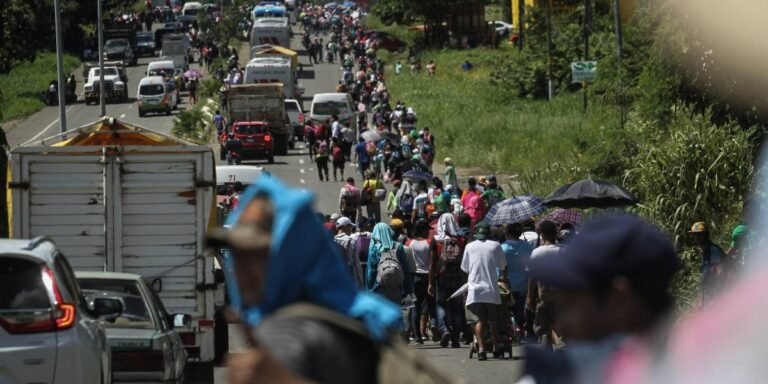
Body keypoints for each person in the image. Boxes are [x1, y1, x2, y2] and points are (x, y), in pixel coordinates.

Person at [207, 176, 403, 384]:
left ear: (295, 256)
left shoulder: (284, 336)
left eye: (257, 256)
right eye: (238, 254)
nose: (241, 269)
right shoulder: (356, 320)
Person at [523, 214, 680, 384]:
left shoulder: (576, 374)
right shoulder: (698, 370)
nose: (561, 325)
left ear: (620, 299)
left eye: (572, 303)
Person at [461, 221, 507, 360]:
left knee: (479, 321)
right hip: (491, 290)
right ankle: (496, 347)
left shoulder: (469, 246)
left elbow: (465, 268)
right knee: (494, 321)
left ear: (477, 232)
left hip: (475, 290)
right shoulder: (496, 246)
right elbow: (503, 266)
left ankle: (481, 350)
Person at [429, 213, 468, 348]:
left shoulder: (436, 240)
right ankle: (456, 338)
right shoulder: (462, 239)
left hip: (441, 276)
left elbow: (432, 263)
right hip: (457, 277)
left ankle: (444, 329)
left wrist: (430, 282)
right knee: (457, 307)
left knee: (440, 304)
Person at [527, 220, 562, 348]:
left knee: (543, 328)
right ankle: (559, 346)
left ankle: (548, 354)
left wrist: (530, 296)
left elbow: (532, 276)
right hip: (560, 295)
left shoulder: (537, 252)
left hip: (544, 295)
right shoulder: (562, 251)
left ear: (541, 234)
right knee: (558, 324)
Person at [501, 223, 534, 341]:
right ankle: (522, 329)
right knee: (521, 311)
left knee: (508, 312)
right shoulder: (527, 247)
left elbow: (499, 268)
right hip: (524, 284)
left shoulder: (502, 247)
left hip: (507, 285)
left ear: (507, 233)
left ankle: (513, 331)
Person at [366, 223, 414, 303]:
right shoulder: (398, 247)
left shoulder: (374, 249)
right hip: (396, 287)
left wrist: (369, 290)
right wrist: (408, 289)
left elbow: (371, 272)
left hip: (379, 288)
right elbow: (405, 268)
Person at [689, 222, 727, 305]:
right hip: (708, 299)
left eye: (700, 234)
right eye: (694, 235)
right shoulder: (705, 252)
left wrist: (717, 297)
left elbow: (722, 272)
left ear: (706, 235)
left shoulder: (714, 250)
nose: (697, 237)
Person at [335, 216, 365, 288]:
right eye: (350, 227)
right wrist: (361, 281)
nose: (351, 230)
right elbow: (357, 263)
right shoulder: (351, 240)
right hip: (350, 279)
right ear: (345, 227)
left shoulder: (332, 240)